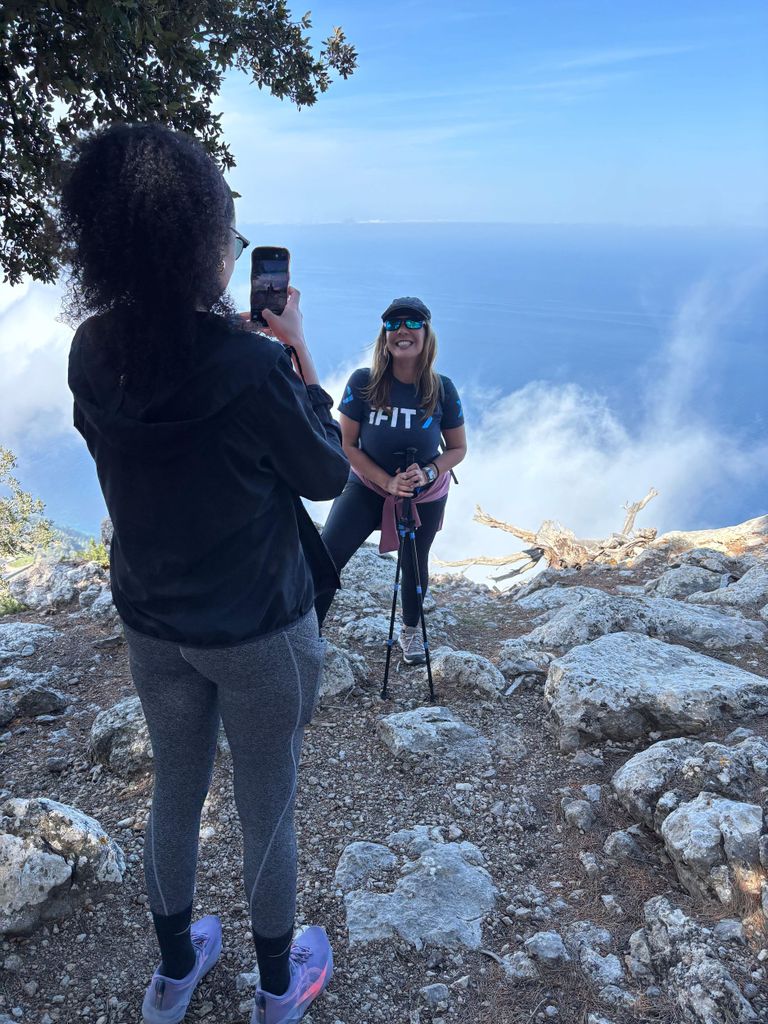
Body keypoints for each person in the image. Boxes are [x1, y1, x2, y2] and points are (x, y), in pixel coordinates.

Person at [62, 124, 348, 1024]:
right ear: (203, 245)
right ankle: (277, 989)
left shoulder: (91, 349)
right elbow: (326, 474)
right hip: (259, 628)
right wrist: (293, 350)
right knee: (267, 806)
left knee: (176, 789)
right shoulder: (254, 365)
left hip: (152, 622)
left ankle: (175, 971)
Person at [315, 297, 467, 661]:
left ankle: (410, 632)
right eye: (393, 324)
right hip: (367, 485)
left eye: (413, 323)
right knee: (326, 556)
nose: (402, 330)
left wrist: (429, 472)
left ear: (426, 334)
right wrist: (387, 482)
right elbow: (347, 444)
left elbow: (458, 449)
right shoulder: (364, 382)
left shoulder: (442, 389)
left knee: (414, 564)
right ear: (384, 335)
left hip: (423, 493)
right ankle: (307, 633)